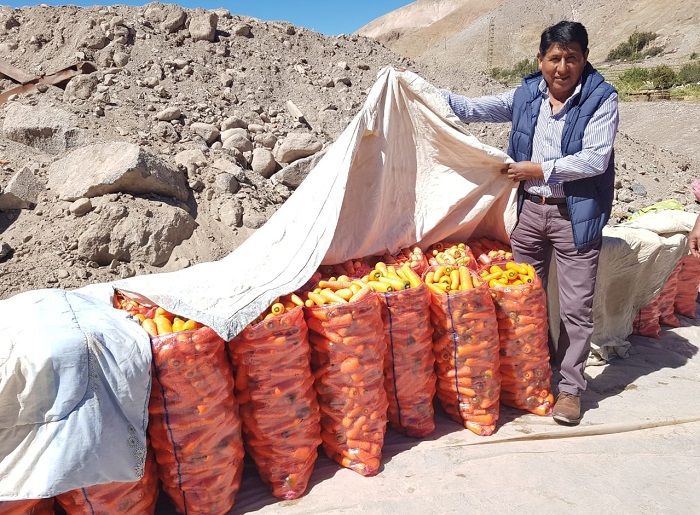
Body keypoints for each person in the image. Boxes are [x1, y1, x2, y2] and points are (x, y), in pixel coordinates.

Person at [441, 20, 619, 425]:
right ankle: (529, 378)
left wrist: (538, 169)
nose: (562, 67)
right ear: (540, 60)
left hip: (576, 214)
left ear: (584, 59)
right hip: (528, 213)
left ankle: (571, 390)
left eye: (571, 58)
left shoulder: (602, 98)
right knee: (523, 300)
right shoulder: (525, 95)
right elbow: (470, 109)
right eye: (554, 58)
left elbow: (595, 159)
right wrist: (421, 91)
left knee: (575, 309)